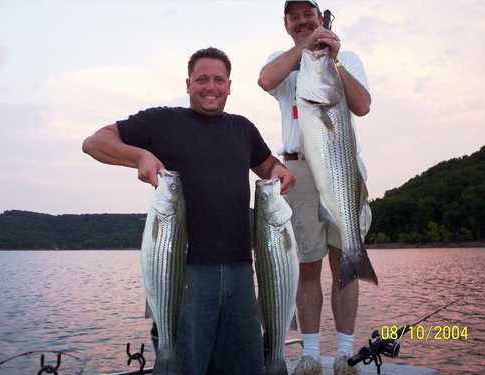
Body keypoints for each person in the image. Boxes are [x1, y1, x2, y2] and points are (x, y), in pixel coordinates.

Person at [83, 47, 296, 375]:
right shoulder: (163, 121)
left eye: (218, 80)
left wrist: (280, 171)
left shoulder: (243, 129)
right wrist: (140, 156)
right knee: (183, 366)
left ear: (229, 86)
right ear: (188, 84)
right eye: (202, 80)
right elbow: (95, 142)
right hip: (183, 275)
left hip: (242, 274)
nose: (210, 87)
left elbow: (268, 165)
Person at [258, 1, 372, 374]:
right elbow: (265, 80)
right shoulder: (286, 58)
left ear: (322, 18)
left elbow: (363, 106)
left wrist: (332, 59)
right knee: (307, 265)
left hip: (341, 166)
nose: (302, 20)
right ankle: (309, 354)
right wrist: (304, 50)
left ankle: (343, 353)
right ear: (286, 24)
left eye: (309, 14)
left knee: (344, 259)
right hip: (296, 170)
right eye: (295, 16)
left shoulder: (346, 57)